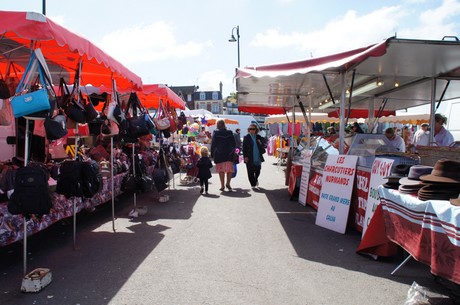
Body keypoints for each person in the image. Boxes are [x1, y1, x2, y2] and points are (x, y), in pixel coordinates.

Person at [210, 119, 236, 191]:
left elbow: (213, 144)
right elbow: (234, 144)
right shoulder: (230, 132)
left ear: (217, 125)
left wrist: (212, 154)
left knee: (221, 170)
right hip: (229, 154)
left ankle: (222, 186)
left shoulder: (216, 132)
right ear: (224, 124)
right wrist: (232, 151)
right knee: (229, 169)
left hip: (219, 153)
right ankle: (228, 183)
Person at [242, 123, 266, 190]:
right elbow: (244, 148)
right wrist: (245, 157)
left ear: (256, 130)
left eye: (253, 129)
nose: (251, 130)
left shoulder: (258, 137)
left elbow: (263, 146)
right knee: (250, 171)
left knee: (258, 170)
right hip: (249, 157)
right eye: (250, 129)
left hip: (258, 156)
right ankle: (253, 184)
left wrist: (260, 143)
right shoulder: (246, 137)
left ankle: (256, 179)